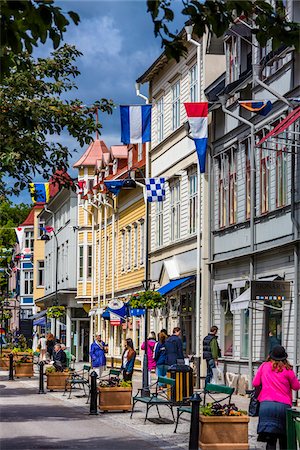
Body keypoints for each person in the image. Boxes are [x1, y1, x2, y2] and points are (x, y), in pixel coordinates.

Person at [253, 345, 300, 450]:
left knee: (270, 440)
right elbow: (296, 387)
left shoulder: (264, 366)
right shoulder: (288, 370)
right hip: (283, 408)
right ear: (284, 357)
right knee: (284, 439)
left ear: (271, 356)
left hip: (266, 406)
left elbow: (255, 383)